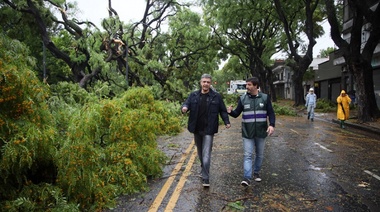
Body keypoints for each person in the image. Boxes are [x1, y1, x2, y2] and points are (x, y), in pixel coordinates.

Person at [181, 74, 231, 187]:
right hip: (196, 129)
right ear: (200, 82)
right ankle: (203, 169)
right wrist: (184, 108)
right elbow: (186, 104)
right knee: (200, 152)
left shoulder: (216, 96)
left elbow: (223, 110)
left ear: (210, 83)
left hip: (209, 129)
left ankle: (206, 178)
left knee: (206, 153)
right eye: (204, 82)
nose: (206, 84)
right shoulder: (193, 95)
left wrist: (227, 121)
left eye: (208, 82)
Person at [227, 77, 275, 187]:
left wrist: (272, 125)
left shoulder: (265, 98)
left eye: (249, 85)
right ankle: (247, 178)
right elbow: (236, 114)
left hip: (261, 131)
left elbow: (271, 113)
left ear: (255, 86)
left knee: (259, 155)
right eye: (246, 85)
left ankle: (256, 172)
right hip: (247, 132)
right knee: (248, 155)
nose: (246, 87)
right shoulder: (243, 98)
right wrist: (230, 112)